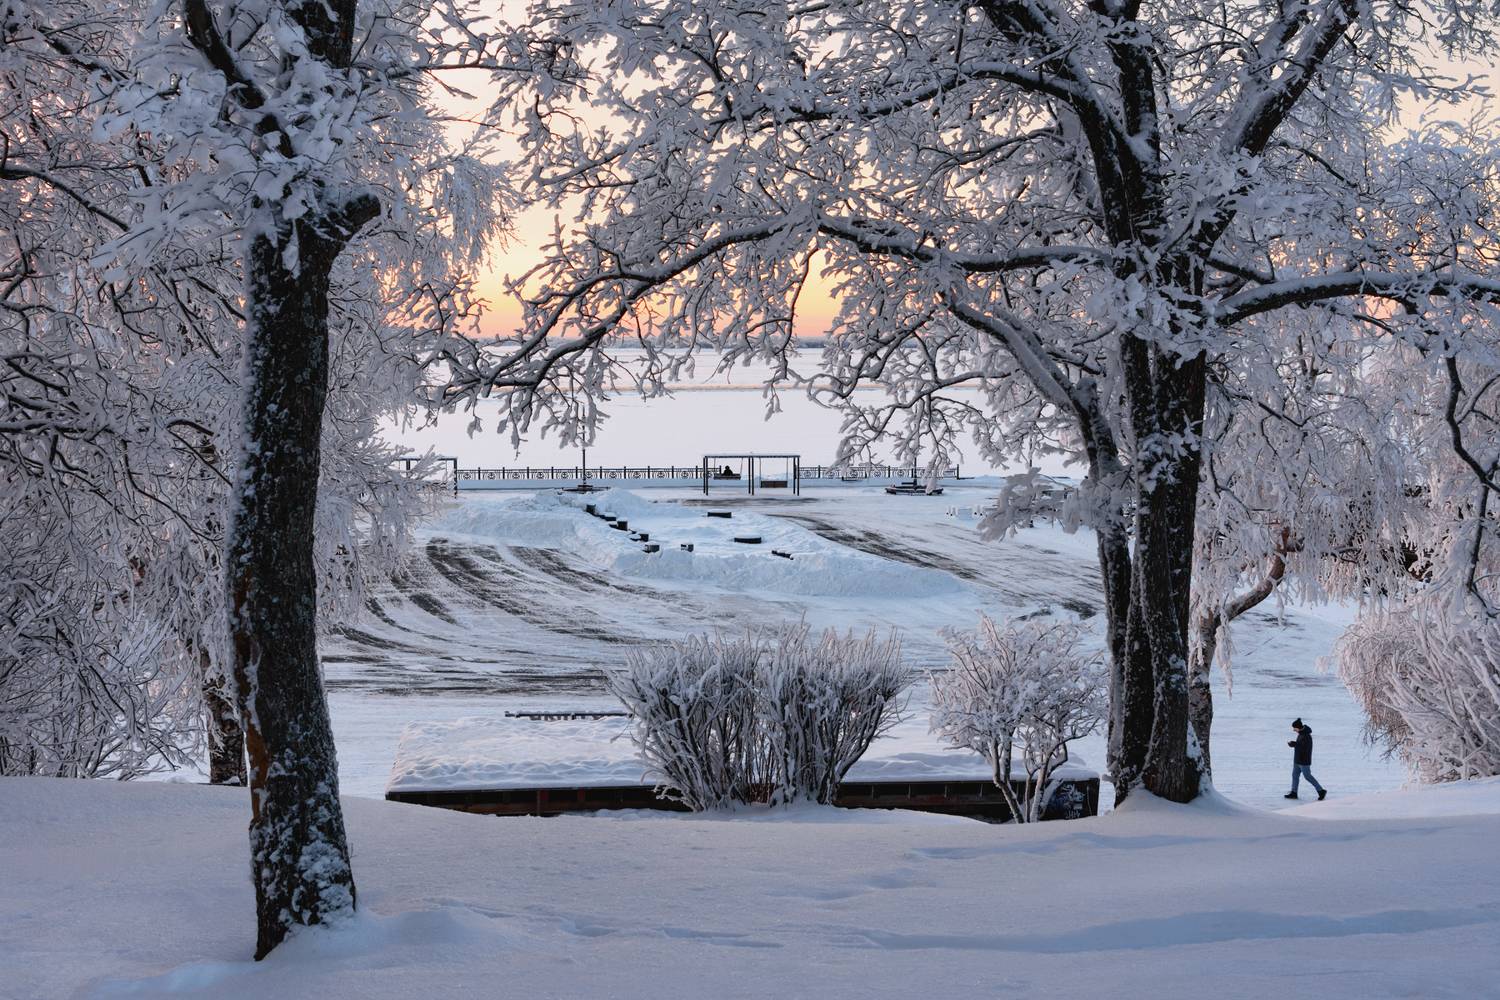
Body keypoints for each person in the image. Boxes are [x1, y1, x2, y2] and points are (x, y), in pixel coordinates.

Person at [1285, 718, 1327, 801]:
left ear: (1298, 727)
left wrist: (1294, 744)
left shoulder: (1307, 736)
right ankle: (1294, 792)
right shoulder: (1301, 734)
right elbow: (1300, 745)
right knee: (1295, 776)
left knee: (1308, 776)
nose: (1293, 730)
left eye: (1294, 728)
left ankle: (1321, 791)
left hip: (1304, 761)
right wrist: (1294, 744)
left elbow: (1305, 748)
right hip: (1297, 760)